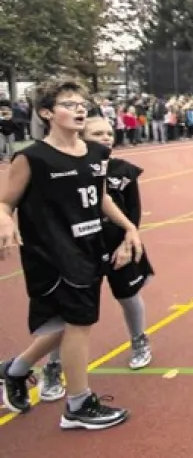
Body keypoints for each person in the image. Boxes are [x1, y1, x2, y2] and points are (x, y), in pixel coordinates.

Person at [0, 82, 142, 430]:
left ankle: (14, 370)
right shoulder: (32, 158)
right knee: (79, 323)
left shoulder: (96, 153)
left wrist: (129, 228)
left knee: (69, 322)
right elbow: (5, 201)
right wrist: (4, 220)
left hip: (88, 247)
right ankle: (78, 404)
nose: (79, 109)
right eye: (68, 104)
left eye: (82, 103)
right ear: (46, 113)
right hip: (52, 252)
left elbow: (101, 196)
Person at [36, 116, 156, 403]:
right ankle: (53, 365)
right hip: (79, 251)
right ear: (81, 137)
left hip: (117, 246)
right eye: (97, 133)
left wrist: (128, 242)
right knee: (70, 311)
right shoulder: (65, 171)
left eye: (109, 133)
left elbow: (133, 213)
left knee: (128, 296)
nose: (106, 138)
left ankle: (139, 340)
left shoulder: (123, 171)